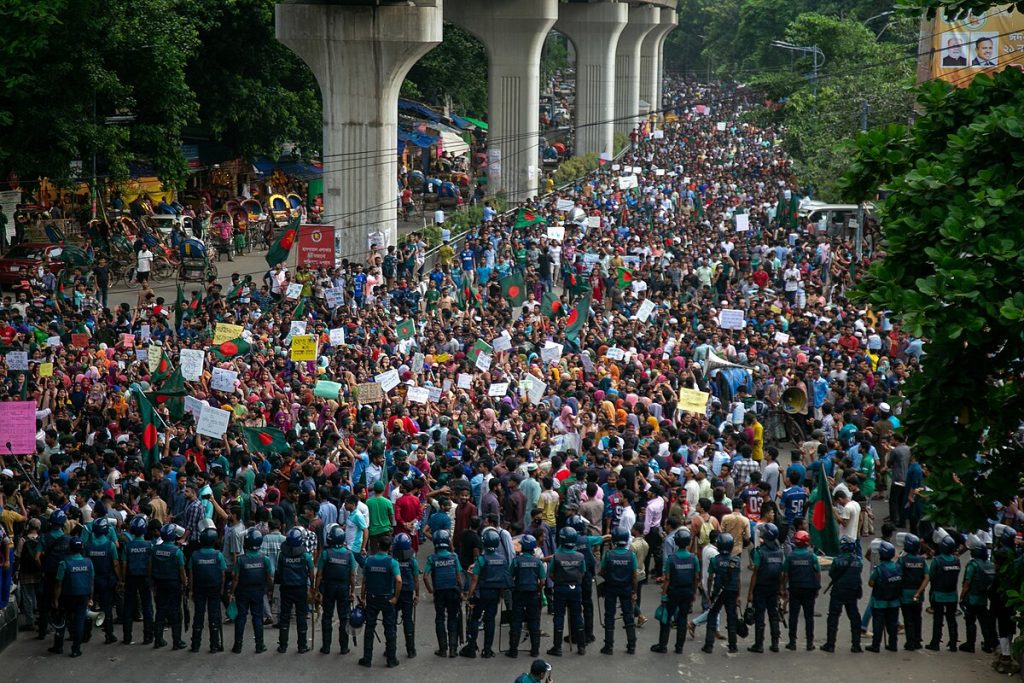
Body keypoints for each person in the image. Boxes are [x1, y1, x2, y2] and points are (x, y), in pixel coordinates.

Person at [462, 527, 509, 658]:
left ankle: (471, 648)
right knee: (490, 621)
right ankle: (487, 650)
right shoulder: (502, 560)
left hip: (481, 594)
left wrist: (469, 596)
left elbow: (474, 580)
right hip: (495, 594)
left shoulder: (481, 560)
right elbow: (504, 579)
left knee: (475, 619)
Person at [652, 527, 699, 654]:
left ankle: (662, 645)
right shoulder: (693, 558)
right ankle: (679, 647)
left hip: (673, 592)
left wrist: (663, 594)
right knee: (682, 619)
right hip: (687, 592)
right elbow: (696, 577)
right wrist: (694, 593)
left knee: (666, 618)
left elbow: (667, 578)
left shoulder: (671, 559)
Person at [360, 535, 402, 668]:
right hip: (387, 598)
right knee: (389, 628)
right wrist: (395, 597)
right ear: (389, 548)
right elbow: (399, 580)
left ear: (378, 545)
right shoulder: (392, 562)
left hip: (371, 598)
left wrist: (362, 597)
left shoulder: (369, 560)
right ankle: (391, 659)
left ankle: (367, 659)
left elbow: (364, 581)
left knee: (369, 628)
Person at [229, 527, 273, 654]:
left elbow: (236, 579)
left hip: (242, 592)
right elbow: (269, 577)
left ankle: (238, 646)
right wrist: (269, 591)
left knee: (241, 617)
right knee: (257, 618)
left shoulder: (241, 560)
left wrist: (232, 592)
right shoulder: (265, 559)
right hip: (258, 592)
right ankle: (259, 645)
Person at [315, 525, 356, 655]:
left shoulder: (326, 554)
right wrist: (352, 591)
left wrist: (316, 590)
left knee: (327, 616)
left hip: (329, 588)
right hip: (344, 588)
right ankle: (344, 647)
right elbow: (352, 575)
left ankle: (326, 647)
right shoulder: (349, 554)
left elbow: (319, 574)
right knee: (344, 617)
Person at [49, 536, 93, 657]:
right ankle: (76, 649)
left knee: (61, 620)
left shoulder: (64, 564)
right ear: (81, 548)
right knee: (79, 622)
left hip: (67, 597)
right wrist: (90, 598)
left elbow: (59, 584)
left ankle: (58, 646)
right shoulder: (88, 562)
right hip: (83, 595)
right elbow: (91, 582)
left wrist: (55, 600)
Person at [917, 533, 961, 652]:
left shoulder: (937, 561)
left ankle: (935, 643)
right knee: (952, 619)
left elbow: (931, 576)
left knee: (938, 619)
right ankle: (953, 644)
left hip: (939, 594)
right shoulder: (957, 561)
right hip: (952, 595)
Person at [424, 529, 464, 658]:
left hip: (439, 592)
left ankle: (443, 649)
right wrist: (462, 591)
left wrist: (431, 590)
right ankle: (453, 649)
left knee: (440, 619)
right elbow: (458, 576)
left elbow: (425, 576)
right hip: (453, 591)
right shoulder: (454, 557)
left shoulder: (432, 558)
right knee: (453, 618)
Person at [598, 526, 638, 654]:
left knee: (609, 615)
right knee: (628, 615)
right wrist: (634, 590)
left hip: (611, 588)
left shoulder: (609, 555)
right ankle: (631, 645)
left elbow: (602, 571)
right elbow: (634, 575)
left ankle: (608, 646)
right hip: (626, 588)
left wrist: (609, 577)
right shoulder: (631, 555)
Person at [745, 522, 784, 653]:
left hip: (761, 588)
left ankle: (759, 644)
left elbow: (755, 574)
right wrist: (781, 590)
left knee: (760, 615)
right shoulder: (780, 553)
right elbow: (781, 574)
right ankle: (775, 644)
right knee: (774, 615)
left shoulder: (759, 552)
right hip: (774, 588)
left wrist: (750, 593)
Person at [547, 526, 586, 656]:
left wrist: (559, 580)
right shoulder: (580, 556)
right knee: (577, 616)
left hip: (560, 588)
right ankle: (581, 646)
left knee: (558, 616)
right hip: (576, 588)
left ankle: (557, 647)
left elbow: (551, 573)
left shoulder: (557, 556)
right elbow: (583, 572)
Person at [276, 526, 314, 654]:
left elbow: (278, 571)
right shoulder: (306, 556)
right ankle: (302, 646)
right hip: (301, 589)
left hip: (286, 588)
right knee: (301, 617)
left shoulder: (282, 555)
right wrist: (312, 586)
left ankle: (282, 646)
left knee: (285, 617)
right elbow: (311, 572)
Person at [822, 536, 863, 653]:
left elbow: (832, 573)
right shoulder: (858, 561)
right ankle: (856, 644)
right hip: (852, 591)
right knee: (854, 617)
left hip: (838, 591)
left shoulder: (837, 561)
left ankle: (830, 644)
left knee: (833, 617)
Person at [83, 517, 120, 644]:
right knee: (107, 607)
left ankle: (86, 634)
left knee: (89, 606)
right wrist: (120, 579)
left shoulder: (87, 546)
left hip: (91, 581)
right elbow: (115, 564)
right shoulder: (110, 545)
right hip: (106, 580)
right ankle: (109, 634)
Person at [507, 533, 545, 659]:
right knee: (534, 622)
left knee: (516, 621)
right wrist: (538, 590)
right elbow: (542, 580)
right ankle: (535, 650)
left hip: (519, 594)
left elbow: (509, 577)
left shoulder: (516, 561)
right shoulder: (537, 562)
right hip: (533, 594)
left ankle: (513, 651)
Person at [150, 524, 188, 650]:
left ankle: (158, 639)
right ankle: (177, 641)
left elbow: (150, 567)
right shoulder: (177, 552)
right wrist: (185, 584)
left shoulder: (155, 549)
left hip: (159, 583)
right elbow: (182, 571)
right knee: (175, 612)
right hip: (173, 584)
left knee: (160, 611)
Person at [189, 526, 226, 653]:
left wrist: (191, 590)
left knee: (198, 615)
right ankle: (214, 645)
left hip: (199, 589)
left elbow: (191, 574)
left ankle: (195, 644)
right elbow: (222, 574)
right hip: (214, 588)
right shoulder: (218, 555)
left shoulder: (195, 555)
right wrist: (221, 590)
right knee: (214, 615)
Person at [702, 532, 741, 654]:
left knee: (712, 614)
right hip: (732, 591)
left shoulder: (715, 560)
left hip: (718, 591)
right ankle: (733, 645)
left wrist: (708, 594)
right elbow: (738, 578)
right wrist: (739, 595)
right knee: (731, 616)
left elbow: (710, 578)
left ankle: (709, 645)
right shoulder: (736, 560)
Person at [783, 530, 820, 650]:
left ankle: (792, 642)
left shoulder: (790, 556)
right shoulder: (812, 556)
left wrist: (783, 589)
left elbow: (785, 573)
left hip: (794, 589)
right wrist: (817, 587)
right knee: (809, 616)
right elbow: (817, 572)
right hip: (809, 589)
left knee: (793, 616)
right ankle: (810, 643)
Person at [121, 515, 154, 645]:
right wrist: (151, 579)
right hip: (145, 578)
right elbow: (151, 563)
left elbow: (123, 564)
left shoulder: (128, 546)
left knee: (128, 606)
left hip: (130, 578)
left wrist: (122, 580)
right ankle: (148, 637)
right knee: (147, 607)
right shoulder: (149, 545)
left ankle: (127, 636)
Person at [959, 540, 996, 653]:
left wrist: (961, 596)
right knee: (984, 622)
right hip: (983, 598)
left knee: (970, 621)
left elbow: (967, 583)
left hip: (972, 598)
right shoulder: (989, 564)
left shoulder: (973, 564)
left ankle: (970, 644)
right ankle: (988, 644)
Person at [37, 510, 69, 642]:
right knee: (63, 604)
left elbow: (36, 557)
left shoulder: (44, 537)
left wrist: (42, 569)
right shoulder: (67, 539)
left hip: (49, 574)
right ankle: (64, 631)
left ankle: (42, 631)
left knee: (45, 604)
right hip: (63, 575)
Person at [866, 540, 901, 652]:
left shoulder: (879, 569)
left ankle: (875, 645)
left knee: (878, 624)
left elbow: (871, 583)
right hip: (894, 601)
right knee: (892, 623)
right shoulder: (897, 567)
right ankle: (893, 644)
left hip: (879, 601)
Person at [392, 532, 420, 658]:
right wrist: (417, 595)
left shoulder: (393, 561)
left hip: (394, 593)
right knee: (408, 621)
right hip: (408, 593)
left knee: (391, 621)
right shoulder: (412, 561)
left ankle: (390, 648)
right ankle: (411, 649)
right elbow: (416, 580)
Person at [897, 533, 926, 651]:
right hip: (918, 594)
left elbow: (897, 575)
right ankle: (918, 640)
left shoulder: (902, 560)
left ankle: (910, 642)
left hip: (905, 593)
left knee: (908, 618)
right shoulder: (922, 560)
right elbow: (927, 577)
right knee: (917, 617)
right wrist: (919, 591)